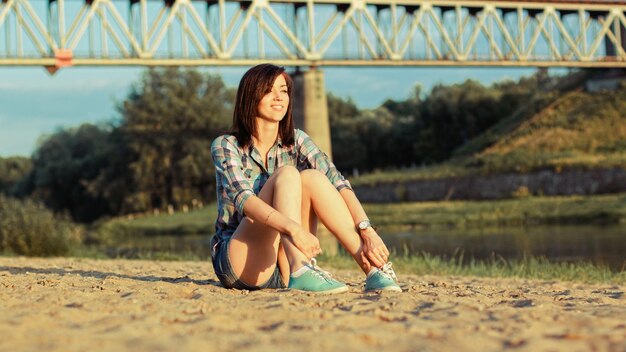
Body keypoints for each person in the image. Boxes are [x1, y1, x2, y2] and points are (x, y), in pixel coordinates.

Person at [210, 63, 401, 294]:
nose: (279, 97)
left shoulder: (297, 140)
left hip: (283, 260)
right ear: (250, 96)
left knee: (312, 177)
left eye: (284, 91)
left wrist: (367, 229)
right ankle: (302, 270)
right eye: (269, 90)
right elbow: (244, 200)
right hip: (240, 260)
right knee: (288, 174)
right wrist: (294, 229)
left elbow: (337, 181)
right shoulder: (226, 145)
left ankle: (372, 269)